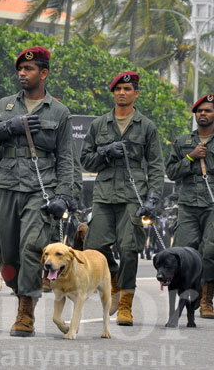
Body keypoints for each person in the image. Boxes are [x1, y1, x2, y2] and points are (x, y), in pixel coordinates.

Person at [0, 46, 74, 337]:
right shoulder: (4, 106)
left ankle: (25, 312)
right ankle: (19, 290)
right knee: (4, 251)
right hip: (6, 187)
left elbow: (66, 158)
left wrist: (64, 196)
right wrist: (7, 128)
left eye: (29, 69)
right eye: (20, 69)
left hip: (39, 191)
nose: (22, 73)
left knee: (31, 247)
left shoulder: (59, 112)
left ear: (43, 73)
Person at [81, 71, 164, 326]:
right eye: (118, 89)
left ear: (135, 93)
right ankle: (114, 278)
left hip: (133, 195)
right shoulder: (99, 125)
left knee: (129, 249)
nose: (122, 93)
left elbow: (156, 165)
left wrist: (153, 197)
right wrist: (105, 152)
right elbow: (85, 160)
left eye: (127, 89)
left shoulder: (146, 126)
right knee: (93, 247)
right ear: (113, 93)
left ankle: (126, 304)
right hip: (105, 195)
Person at [165, 94, 214, 319]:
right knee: (183, 252)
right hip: (188, 202)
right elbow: (172, 172)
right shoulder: (183, 141)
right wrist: (191, 157)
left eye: (208, 110)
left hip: (212, 203)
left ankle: (206, 301)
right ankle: (190, 295)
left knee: (210, 251)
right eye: (200, 111)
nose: (203, 114)